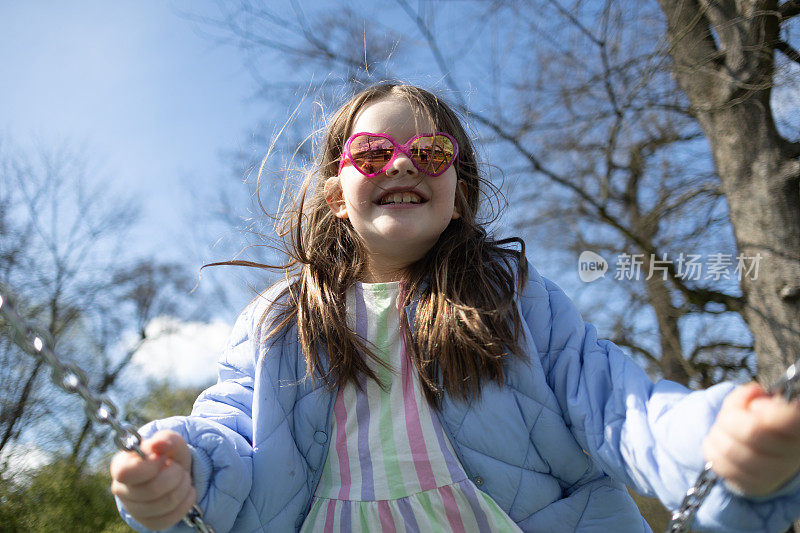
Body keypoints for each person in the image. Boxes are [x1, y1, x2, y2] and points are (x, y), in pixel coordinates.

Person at [110, 83, 800, 532]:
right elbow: (230, 434)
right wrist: (180, 474)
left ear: (459, 192)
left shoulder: (511, 298)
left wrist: (715, 445)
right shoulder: (277, 325)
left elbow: (620, 407)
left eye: (431, 151)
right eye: (373, 152)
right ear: (333, 193)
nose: (403, 164)